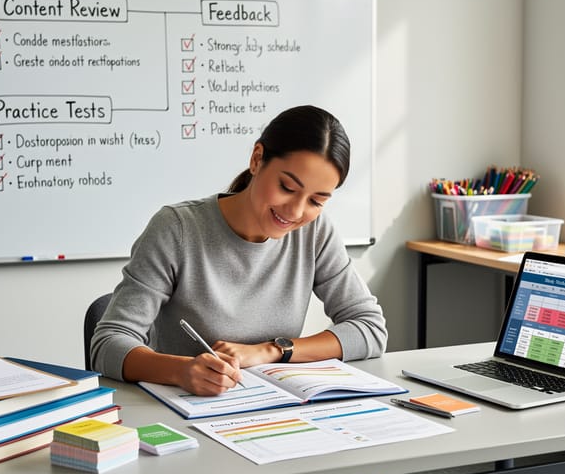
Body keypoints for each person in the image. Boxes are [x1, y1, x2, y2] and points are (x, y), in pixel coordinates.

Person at [90, 105, 387, 395]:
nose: (296, 211)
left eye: (316, 201)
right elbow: (108, 343)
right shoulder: (176, 229)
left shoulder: (315, 232)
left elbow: (370, 328)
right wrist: (182, 371)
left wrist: (271, 350)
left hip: (272, 410)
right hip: (186, 413)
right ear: (257, 159)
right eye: (287, 187)